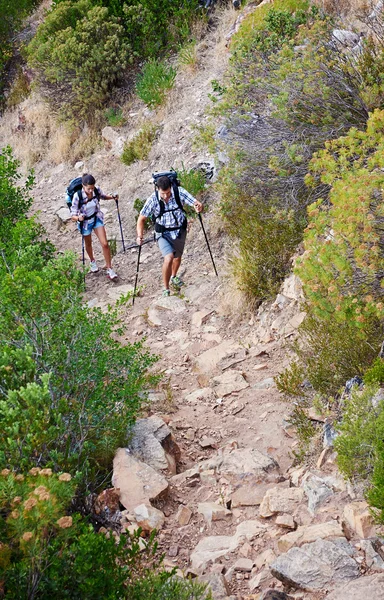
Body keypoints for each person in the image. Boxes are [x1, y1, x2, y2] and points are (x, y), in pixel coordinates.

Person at [136, 175, 203, 296]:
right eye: (163, 193)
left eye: (167, 193)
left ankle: (173, 276)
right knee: (169, 257)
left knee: (177, 257)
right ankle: (166, 288)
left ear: (171, 187)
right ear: (158, 189)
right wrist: (139, 236)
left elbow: (195, 202)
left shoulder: (179, 192)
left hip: (179, 230)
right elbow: (141, 219)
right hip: (163, 233)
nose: (166, 196)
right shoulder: (153, 199)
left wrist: (198, 206)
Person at [71, 173, 118, 280]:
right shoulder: (77, 196)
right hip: (85, 223)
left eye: (92, 188)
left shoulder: (96, 190)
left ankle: (109, 268)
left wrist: (112, 197)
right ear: (83, 186)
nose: (91, 190)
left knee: (105, 244)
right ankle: (92, 261)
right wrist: (78, 218)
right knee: (88, 243)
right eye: (89, 189)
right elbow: (72, 215)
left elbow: (103, 196)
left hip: (96, 218)